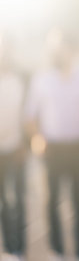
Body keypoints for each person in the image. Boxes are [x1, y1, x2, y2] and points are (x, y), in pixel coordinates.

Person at [24, 28, 79, 261]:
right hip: (51, 148)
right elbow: (31, 117)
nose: (57, 52)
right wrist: (37, 138)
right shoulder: (42, 79)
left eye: (61, 47)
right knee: (50, 202)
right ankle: (57, 252)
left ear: (73, 49)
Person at [0, 35, 27, 261]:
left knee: (16, 200)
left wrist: (26, 144)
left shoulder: (22, 78)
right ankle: (8, 247)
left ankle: (17, 248)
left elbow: (29, 114)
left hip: (16, 149)